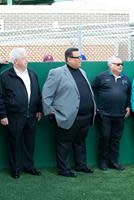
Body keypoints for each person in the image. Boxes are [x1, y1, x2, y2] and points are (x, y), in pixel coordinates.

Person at [42, 47, 96, 177]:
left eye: (80, 57)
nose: (80, 60)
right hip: (66, 117)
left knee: (80, 142)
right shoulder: (56, 72)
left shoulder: (82, 71)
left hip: (85, 116)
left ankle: (81, 165)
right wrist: (51, 113)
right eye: (77, 57)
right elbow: (46, 95)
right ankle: (63, 169)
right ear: (69, 59)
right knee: (63, 144)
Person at [0, 48, 42, 179]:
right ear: (15, 61)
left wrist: (39, 109)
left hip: (31, 115)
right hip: (14, 116)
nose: (27, 60)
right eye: (24, 58)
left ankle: (29, 167)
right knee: (14, 143)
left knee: (29, 143)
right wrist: (3, 115)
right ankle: (15, 169)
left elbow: (37, 93)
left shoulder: (32, 74)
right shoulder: (5, 76)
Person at [92, 56, 131, 171]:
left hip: (120, 115)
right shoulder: (101, 77)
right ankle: (103, 162)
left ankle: (113, 162)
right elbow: (91, 91)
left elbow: (128, 94)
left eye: (122, 64)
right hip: (104, 115)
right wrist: (95, 107)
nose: (121, 66)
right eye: (118, 64)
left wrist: (128, 106)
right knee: (105, 138)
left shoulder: (125, 79)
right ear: (111, 65)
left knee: (116, 139)